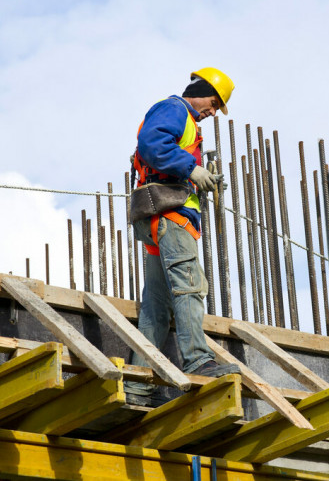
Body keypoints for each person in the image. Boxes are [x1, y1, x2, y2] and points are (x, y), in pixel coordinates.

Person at [125, 67, 240, 407]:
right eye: (214, 102)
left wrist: (196, 174)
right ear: (200, 90)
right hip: (170, 217)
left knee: (157, 308)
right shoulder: (176, 109)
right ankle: (198, 360)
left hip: (159, 218)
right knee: (190, 287)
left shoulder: (186, 122)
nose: (213, 111)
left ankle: (138, 384)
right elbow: (151, 144)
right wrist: (191, 169)